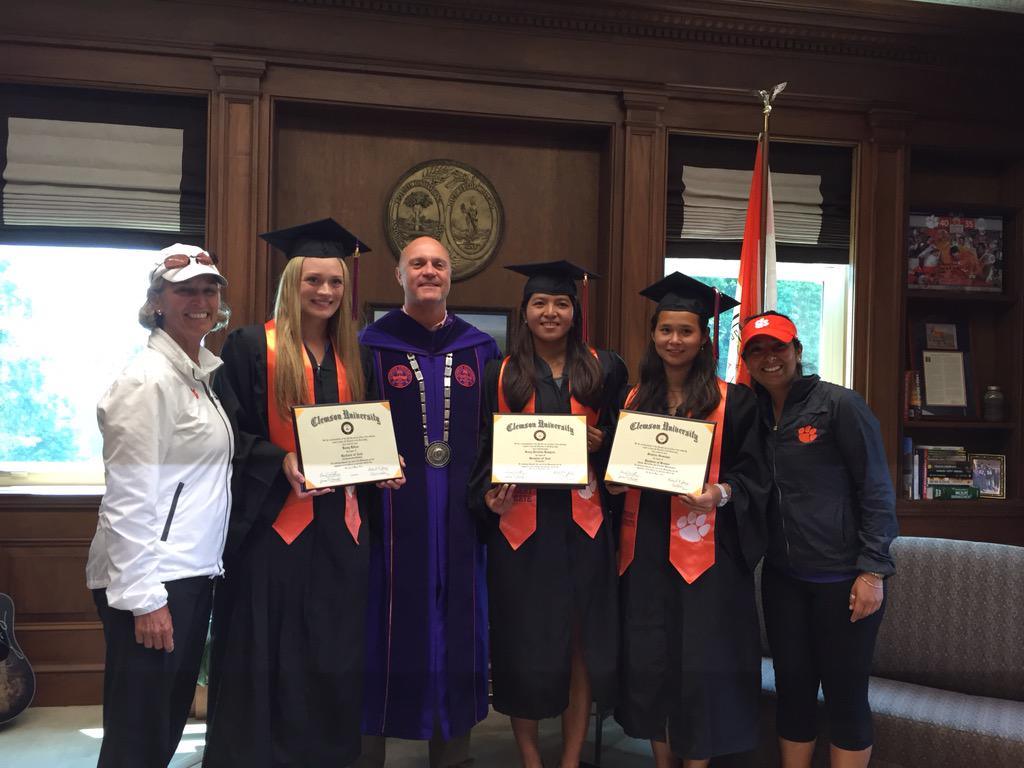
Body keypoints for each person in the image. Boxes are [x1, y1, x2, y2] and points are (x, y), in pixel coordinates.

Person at [203, 219, 399, 768]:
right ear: (292, 282)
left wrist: (385, 464)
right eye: (314, 279)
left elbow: (363, 434)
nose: (326, 292)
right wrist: (277, 458)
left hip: (343, 528)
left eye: (335, 282)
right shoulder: (247, 346)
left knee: (333, 653)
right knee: (269, 652)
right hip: (273, 528)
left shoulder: (356, 356)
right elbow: (228, 434)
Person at [469, 261, 627, 768]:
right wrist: (487, 497)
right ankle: (531, 758)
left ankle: (571, 759)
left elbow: (634, 451)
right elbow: (482, 452)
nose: (551, 312)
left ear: (575, 311)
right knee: (522, 643)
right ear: (525, 312)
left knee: (581, 643)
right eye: (540, 303)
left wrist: (604, 448)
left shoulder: (606, 368)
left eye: (561, 303)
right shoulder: (500, 373)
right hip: (521, 530)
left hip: (584, 526)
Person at [608, 272, 769, 768]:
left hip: (709, 559)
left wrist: (719, 493)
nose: (674, 340)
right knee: (651, 660)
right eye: (665, 330)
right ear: (653, 335)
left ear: (704, 339)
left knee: (701, 665)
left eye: (686, 331)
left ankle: (697, 761)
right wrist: (612, 482)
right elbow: (614, 473)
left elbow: (757, 475)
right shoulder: (634, 400)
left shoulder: (735, 401)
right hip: (645, 551)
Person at [86, 244, 232, 767]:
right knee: (138, 735)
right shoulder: (145, 381)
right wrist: (145, 598)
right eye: (184, 290)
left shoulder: (194, 374)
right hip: (153, 583)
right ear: (156, 302)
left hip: (189, 575)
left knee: (161, 727)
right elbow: (127, 498)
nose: (200, 299)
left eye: (208, 289)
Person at [359, 236, 500, 768]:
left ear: (451, 276)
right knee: (383, 623)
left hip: (462, 517)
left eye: (438, 264)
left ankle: (453, 751)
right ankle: (368, 748)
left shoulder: (480, 348)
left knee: (461, 621)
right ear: (399, 274)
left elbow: (495, 434)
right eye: (417, 263)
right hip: (390, 517)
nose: (429, 271)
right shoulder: (370, 345)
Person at [739, 311, 898, 768]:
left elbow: (876, 489)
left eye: (778, 347)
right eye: (757, 350)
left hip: (844, 578)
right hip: (783, 578)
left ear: (797, 351)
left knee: (846, 695)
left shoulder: (839, 405)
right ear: (746, 360)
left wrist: (872, 570)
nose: (770, 358)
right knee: (793, 690)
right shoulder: (751, 413)